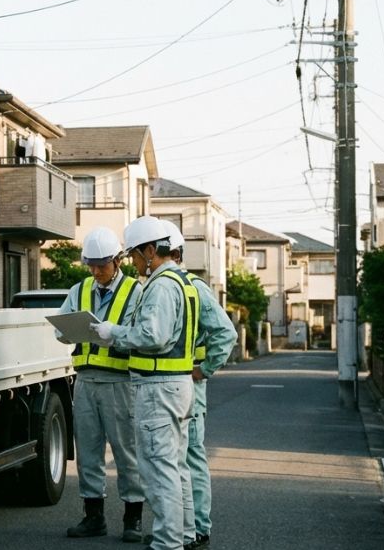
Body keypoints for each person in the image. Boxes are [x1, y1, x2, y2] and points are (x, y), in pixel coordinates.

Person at [89, 216, 198, 550]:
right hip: (176, 385)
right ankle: (185, 534)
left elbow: (153, 336)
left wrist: (114, 333)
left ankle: (168, 542)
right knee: (176, 468)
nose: (133, 261)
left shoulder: (161, 285)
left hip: (158, 388)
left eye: (136, 254)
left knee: (159, 470)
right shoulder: (182, 282)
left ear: (151, 251)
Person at [59, 227, 146, 543]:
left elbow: (141, 334)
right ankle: (93, 517)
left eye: (102, 265)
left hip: (120, 382)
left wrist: (116, 334)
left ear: (118, 260)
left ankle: (133, 518)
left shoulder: (136, 292)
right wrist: (65, 332)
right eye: (91, 265)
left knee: (126, 452)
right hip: (85, 380)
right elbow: (62, 325)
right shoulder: (80, 289)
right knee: (88, 452)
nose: (96, 271)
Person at [159, 220, 236, 550]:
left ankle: (199, 527)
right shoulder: (157, 287)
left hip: (189, 385)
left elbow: (226, 333)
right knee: (173, 457)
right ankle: (180, 527)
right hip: (167, 385)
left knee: (189, 455)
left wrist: (205, 369)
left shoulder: (193, 286)